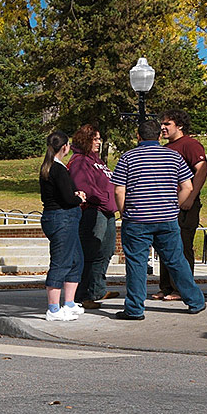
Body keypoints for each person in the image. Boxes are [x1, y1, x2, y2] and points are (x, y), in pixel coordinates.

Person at [112, 127, 205, 319]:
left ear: (138, 136)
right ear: (158, 136)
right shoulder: (174, 156)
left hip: (137, 219)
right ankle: (195, 301)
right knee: (176, 261)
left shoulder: (128, 158)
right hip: (167, 220)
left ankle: (135, 309)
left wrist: (124, 212)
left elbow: (119, 191)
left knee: (136, 264)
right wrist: (174, 206)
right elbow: (188, 186)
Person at [156, 112, 207, 300]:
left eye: (167, 124)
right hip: (167, 205)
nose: (163, 127)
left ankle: (181, 289)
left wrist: (190, 198)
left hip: (185, 206)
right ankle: (166, 287)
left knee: (182, 246)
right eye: (161, 124)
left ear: (180, 126)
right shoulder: (166, 147)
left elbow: (202, 169)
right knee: (165, 245)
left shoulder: (190, 145)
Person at [68, 123, 119, 307]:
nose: (98, 142)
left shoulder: (97, 160)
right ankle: (82, 295)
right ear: (85, 139)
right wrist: (106, 200)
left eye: (99, 138)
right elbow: (86, 188)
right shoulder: (80, 161)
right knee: (90, 252)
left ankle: (98, 289)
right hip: (93, 211)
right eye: (95, 138)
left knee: (106, 250)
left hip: (108, 212)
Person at [37, 131, 85, 321]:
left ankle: (70, 303)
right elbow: (67, 198)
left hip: (58, 217)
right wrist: (79, 198)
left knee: (75, 259)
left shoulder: (50, 167)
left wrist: (74, 196)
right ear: (65, 147)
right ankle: (53, 309)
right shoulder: (58, 169)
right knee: (61, 261)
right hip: (62, 218)